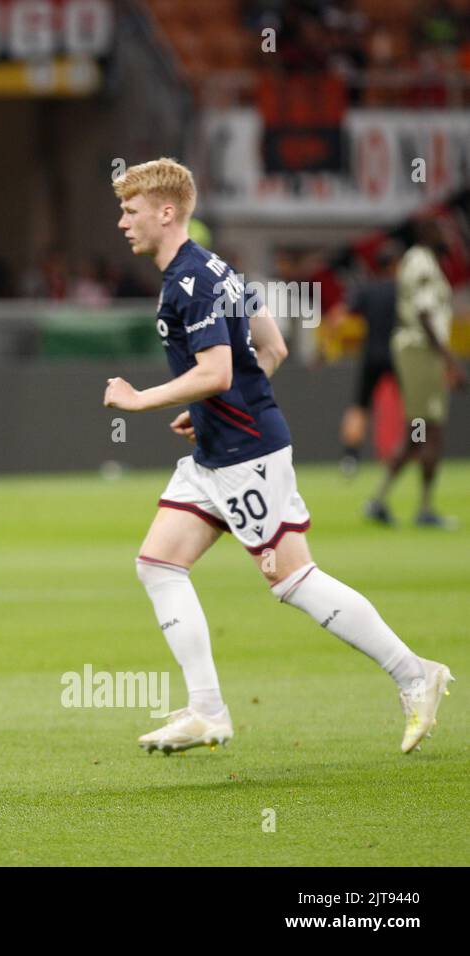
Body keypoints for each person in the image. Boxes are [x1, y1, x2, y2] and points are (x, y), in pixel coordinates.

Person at [103, 158, 451, 755]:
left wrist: (143, 401)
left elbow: (214, 370)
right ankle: (207, 711)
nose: (122, 222)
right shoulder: (221, 271)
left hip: (247, 453)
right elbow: (273, 347)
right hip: (220, 448)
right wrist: (214, 404)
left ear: (166, 213)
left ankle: (415, 673)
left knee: (293, 580)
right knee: (158, 563)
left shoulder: (193, 280)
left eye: (130, 211)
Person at [365, 220, 467, 527]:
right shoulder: (423, 263)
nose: (449, 235)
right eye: (443, 230)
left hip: (418, 351)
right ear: (428, 233)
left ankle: (379, 500)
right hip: (422, 351)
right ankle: (424, 509)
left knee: (417, 432)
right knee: (429, 428)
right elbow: (424, 313)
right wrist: (450, 361)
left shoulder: (419, 261)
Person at [329, 246, 398, 476]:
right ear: (395, 265)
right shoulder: (401, 289)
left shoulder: (367, 290)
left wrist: (325, 347)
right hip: (398, 355)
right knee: (414, 409)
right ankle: (418, 444)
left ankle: (350, 457)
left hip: (371, 356)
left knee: (359, 407)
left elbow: (338, 317)